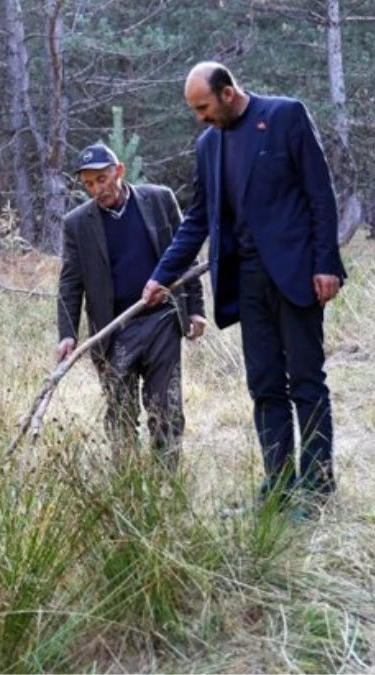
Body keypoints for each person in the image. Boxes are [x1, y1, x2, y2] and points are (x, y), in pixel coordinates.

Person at [142, 62, 346, 511]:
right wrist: (161, 276)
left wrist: (326, 264)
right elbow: (197, 220)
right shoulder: (208, 145)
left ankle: (317, 489)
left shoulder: (286, 116)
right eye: (195, 110)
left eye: (203, 107)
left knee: (306, 381)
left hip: (297, 275)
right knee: (264, 385)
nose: (200, 117)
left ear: (228, 93)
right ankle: (279, 488)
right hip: (246, 281)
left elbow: (320, 194)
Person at [56, 143, 207, 471]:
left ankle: (166, 482)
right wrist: (67, 334)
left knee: (166, 410)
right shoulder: (77, 224)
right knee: (120, 415)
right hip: (112, 332)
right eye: (89, 184)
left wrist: (195, 309)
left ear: (119, 171)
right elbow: (70, 284)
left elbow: (187, 257)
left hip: (162, 321)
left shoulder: (159, 200)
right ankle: (128, 484)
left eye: (102, 179)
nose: (97, 189)